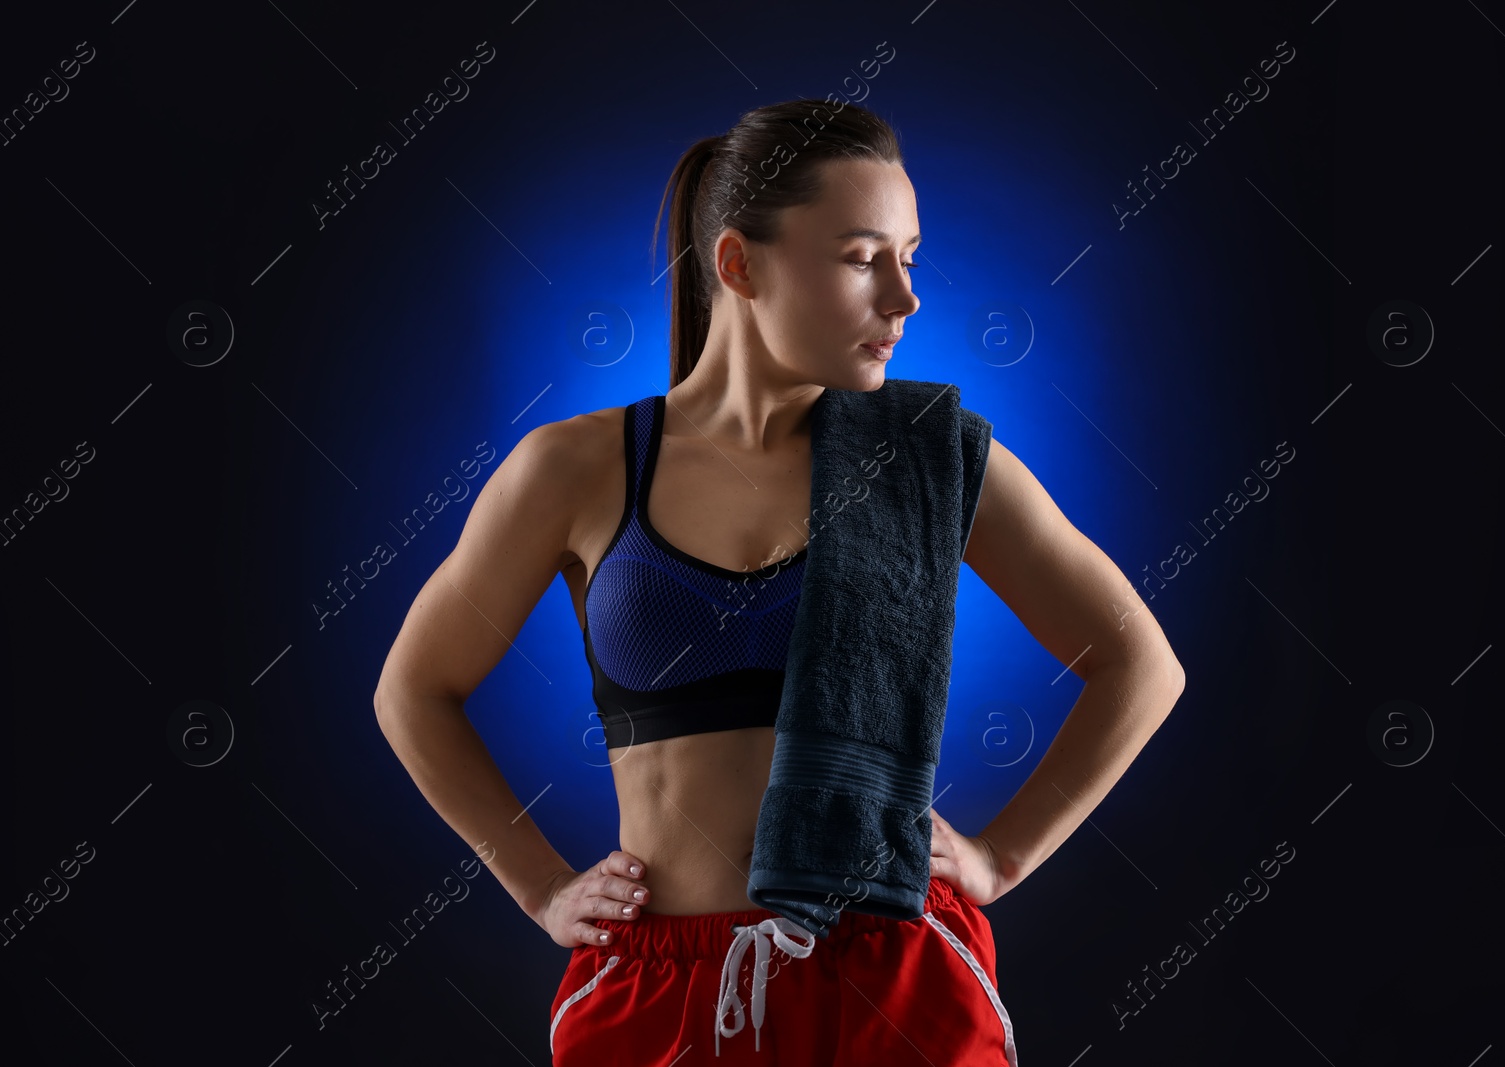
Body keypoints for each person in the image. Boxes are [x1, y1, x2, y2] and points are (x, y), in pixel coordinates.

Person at [374, 98, 1186, 1065]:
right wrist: (541, 886)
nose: (904, 298)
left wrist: (1000, 857)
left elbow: (1141, 665)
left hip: (895, 977)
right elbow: (415, 691)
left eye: (909, 258)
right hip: (662, 988)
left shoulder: (934, 461)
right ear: (738, 264)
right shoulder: (574, 469)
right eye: (861, 257)